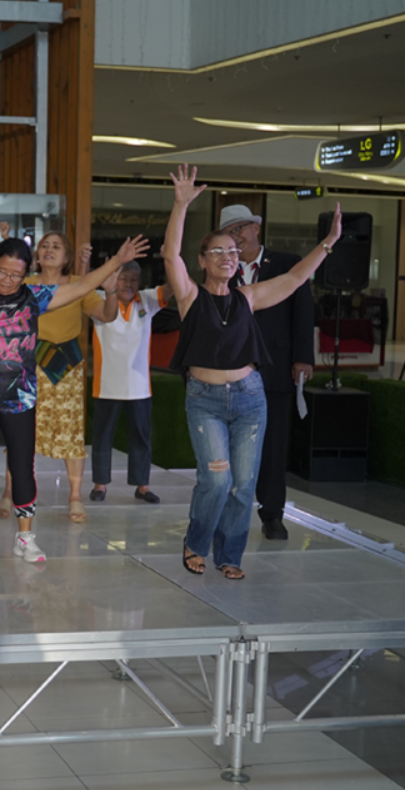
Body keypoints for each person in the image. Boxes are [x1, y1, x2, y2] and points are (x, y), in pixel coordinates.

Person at [0, 212, 145, 562]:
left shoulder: (35, 297)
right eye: (2, 272)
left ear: (26, 273)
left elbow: (81, 287)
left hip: (19, 398)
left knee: (23, 466)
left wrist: (117, 261)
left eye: (15, 274)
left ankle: (25, 537)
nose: (7, 280)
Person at [164, 165, 341, 579]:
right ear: (203, 260)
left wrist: (328, 244)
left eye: (232, 251)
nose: (227, 257)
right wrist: (180, 205)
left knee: (243, 485)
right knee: (216, 480)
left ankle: (229, 555)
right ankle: (196, 543)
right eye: (217, 252)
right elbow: (170, 254)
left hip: (249, 398)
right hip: (205, 401)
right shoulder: (190, 297)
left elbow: (295, 278)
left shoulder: (248, 297)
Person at [216, 202, 316, 540]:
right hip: (231, 371)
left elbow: (303, 312)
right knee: (231, 446)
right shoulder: (221, 269)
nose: (236, 236)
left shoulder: (287, 263)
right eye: (229, 232)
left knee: (273, 446)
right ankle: (228, 514)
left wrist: (303, 357)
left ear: (256, 228)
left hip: (276, 367)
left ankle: (272, 514)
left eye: (240, 228)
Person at [7, 230, 108, 524]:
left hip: (67, 365)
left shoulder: (78, 284)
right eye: (44, 246)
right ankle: (9, 491)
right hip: (29, 363)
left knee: (71, 431)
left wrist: (112, 292)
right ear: (37, 254)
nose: (49, 249)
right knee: (19, 430)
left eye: (56, 246)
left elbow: (104, 313)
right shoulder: (24, 284)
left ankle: (75, 495)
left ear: (66, 257)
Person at [84, 260, 165, 504]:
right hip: (106, 384)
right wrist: (83, 262)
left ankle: (142, 486)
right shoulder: (99, 298)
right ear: (113, 279)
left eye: (133, 279)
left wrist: (172, 257)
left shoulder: (147, 300)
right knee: (102, 437)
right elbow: (82, 286)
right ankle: (100, 485)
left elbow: (173, 288)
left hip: (139, 387)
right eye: (122, 278)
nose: (128, 284)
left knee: (141, 437)